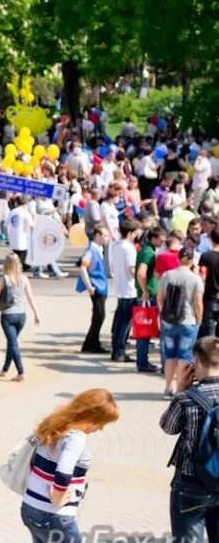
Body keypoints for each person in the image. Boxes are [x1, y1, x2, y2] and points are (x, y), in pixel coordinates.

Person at [23, 389, 120, 542]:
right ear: (91, 416)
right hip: (54, 515)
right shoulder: (76, 437)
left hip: (30, 507)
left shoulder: (53, 424)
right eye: (101, 423)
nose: (101, 428)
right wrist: (57, 498)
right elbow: (63, 471)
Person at [161, 336, 219, 539]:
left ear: (196, 361)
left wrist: (181, 389)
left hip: (191, 482)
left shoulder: (186, 398)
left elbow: (167, 427)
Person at [158, 246, 205, 400]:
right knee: (184, 356)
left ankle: (167, 387)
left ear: (178, 258)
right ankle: (180, 389)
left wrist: (163, 314)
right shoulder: (195, 278)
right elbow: (198, 303)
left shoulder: (167, 275)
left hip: (169, 322)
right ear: (192, 261)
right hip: (188, 321)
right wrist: (199, 320)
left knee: (170, 356)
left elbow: (160, 298)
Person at [0, 253, 40, 382]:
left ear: (6, 264)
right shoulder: (24, 279)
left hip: (7, 315)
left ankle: (21, 372)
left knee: (13, 343)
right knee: (12, 343)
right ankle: (5, 369)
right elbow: (30, 297)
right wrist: (36, 314)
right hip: (22, 315)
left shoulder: (3, 279)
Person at [109, 220, 142, 362]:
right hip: (130, 289)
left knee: (119, 322)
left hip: (120, 287)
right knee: (126, 323)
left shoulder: (116, 246)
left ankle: (116, 350)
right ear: (130, 233)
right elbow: (131, 269)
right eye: (135, 233)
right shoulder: (129, 248)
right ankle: (120, 351)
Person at [135, 226, 165, 373]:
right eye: (161, 240)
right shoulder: (149, 253)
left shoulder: (146, 250)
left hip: (146, 295)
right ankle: (142, 362)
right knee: (145, 330)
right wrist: (145, 291)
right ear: (153, 238)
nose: (163, 242)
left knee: (144, 330)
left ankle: (142, 361)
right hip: (149, 297)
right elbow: (141, 273)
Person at [78, 226, 110, 354]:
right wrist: (89, 286)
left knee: (99, 315)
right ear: (97, 236)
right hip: (96, 286)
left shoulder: (98, 249)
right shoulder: (91, 250)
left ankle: (91, 343)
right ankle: (91, 343)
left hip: (101, 285)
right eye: (105, 235)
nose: (107, 238)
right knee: (99, 315)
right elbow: (82, 267)